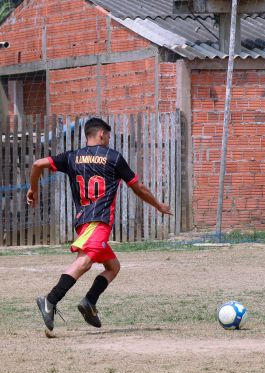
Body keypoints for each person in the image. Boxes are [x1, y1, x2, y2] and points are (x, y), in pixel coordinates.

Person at [28, 118, 172, 332]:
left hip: (84, 222)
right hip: (98, 222)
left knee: (113, 267)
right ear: (102, 134)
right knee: (84, 262)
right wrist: (159, 205)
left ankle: (89, 302)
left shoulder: (71, 157)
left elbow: (37, 164)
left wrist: (33, 189)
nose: (109, 140)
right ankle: (50, 300)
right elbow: (138, 188)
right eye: (109, 136)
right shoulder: (113, 158)